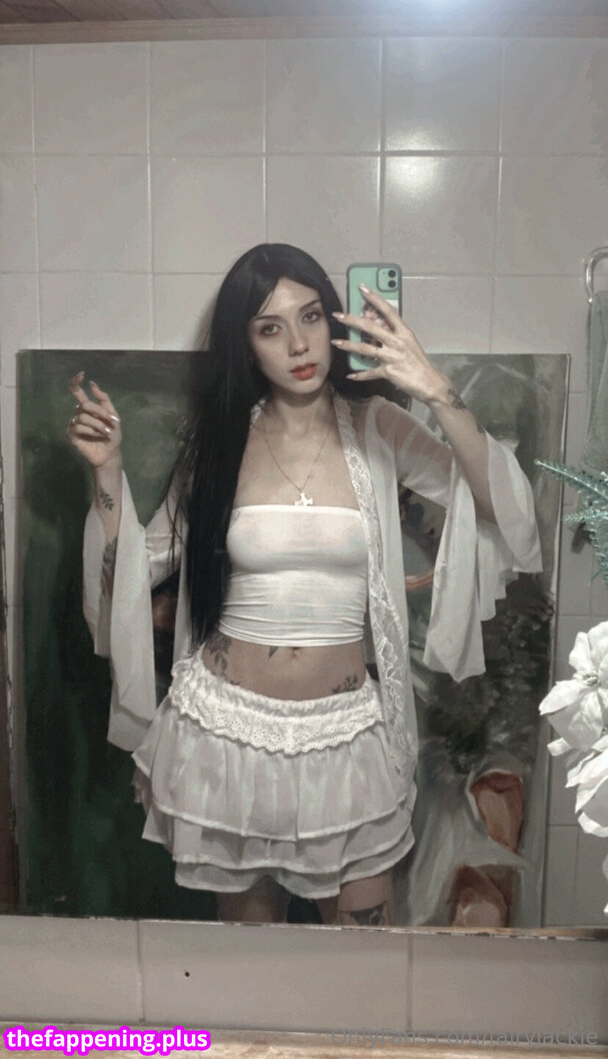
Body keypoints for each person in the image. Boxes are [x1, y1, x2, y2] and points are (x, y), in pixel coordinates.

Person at [67, 243, 541, 927]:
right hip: (227, 735)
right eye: (271, 327)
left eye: (311, 316)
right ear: (246, 344)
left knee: (363, 958)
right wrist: (107, 474)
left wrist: (437, 391)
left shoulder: (377, 427)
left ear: (332, 319)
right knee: (254, 958)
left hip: (344, 740)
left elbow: (503, 511)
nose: (297, 344)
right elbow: (137, 570)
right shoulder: (221, 443)